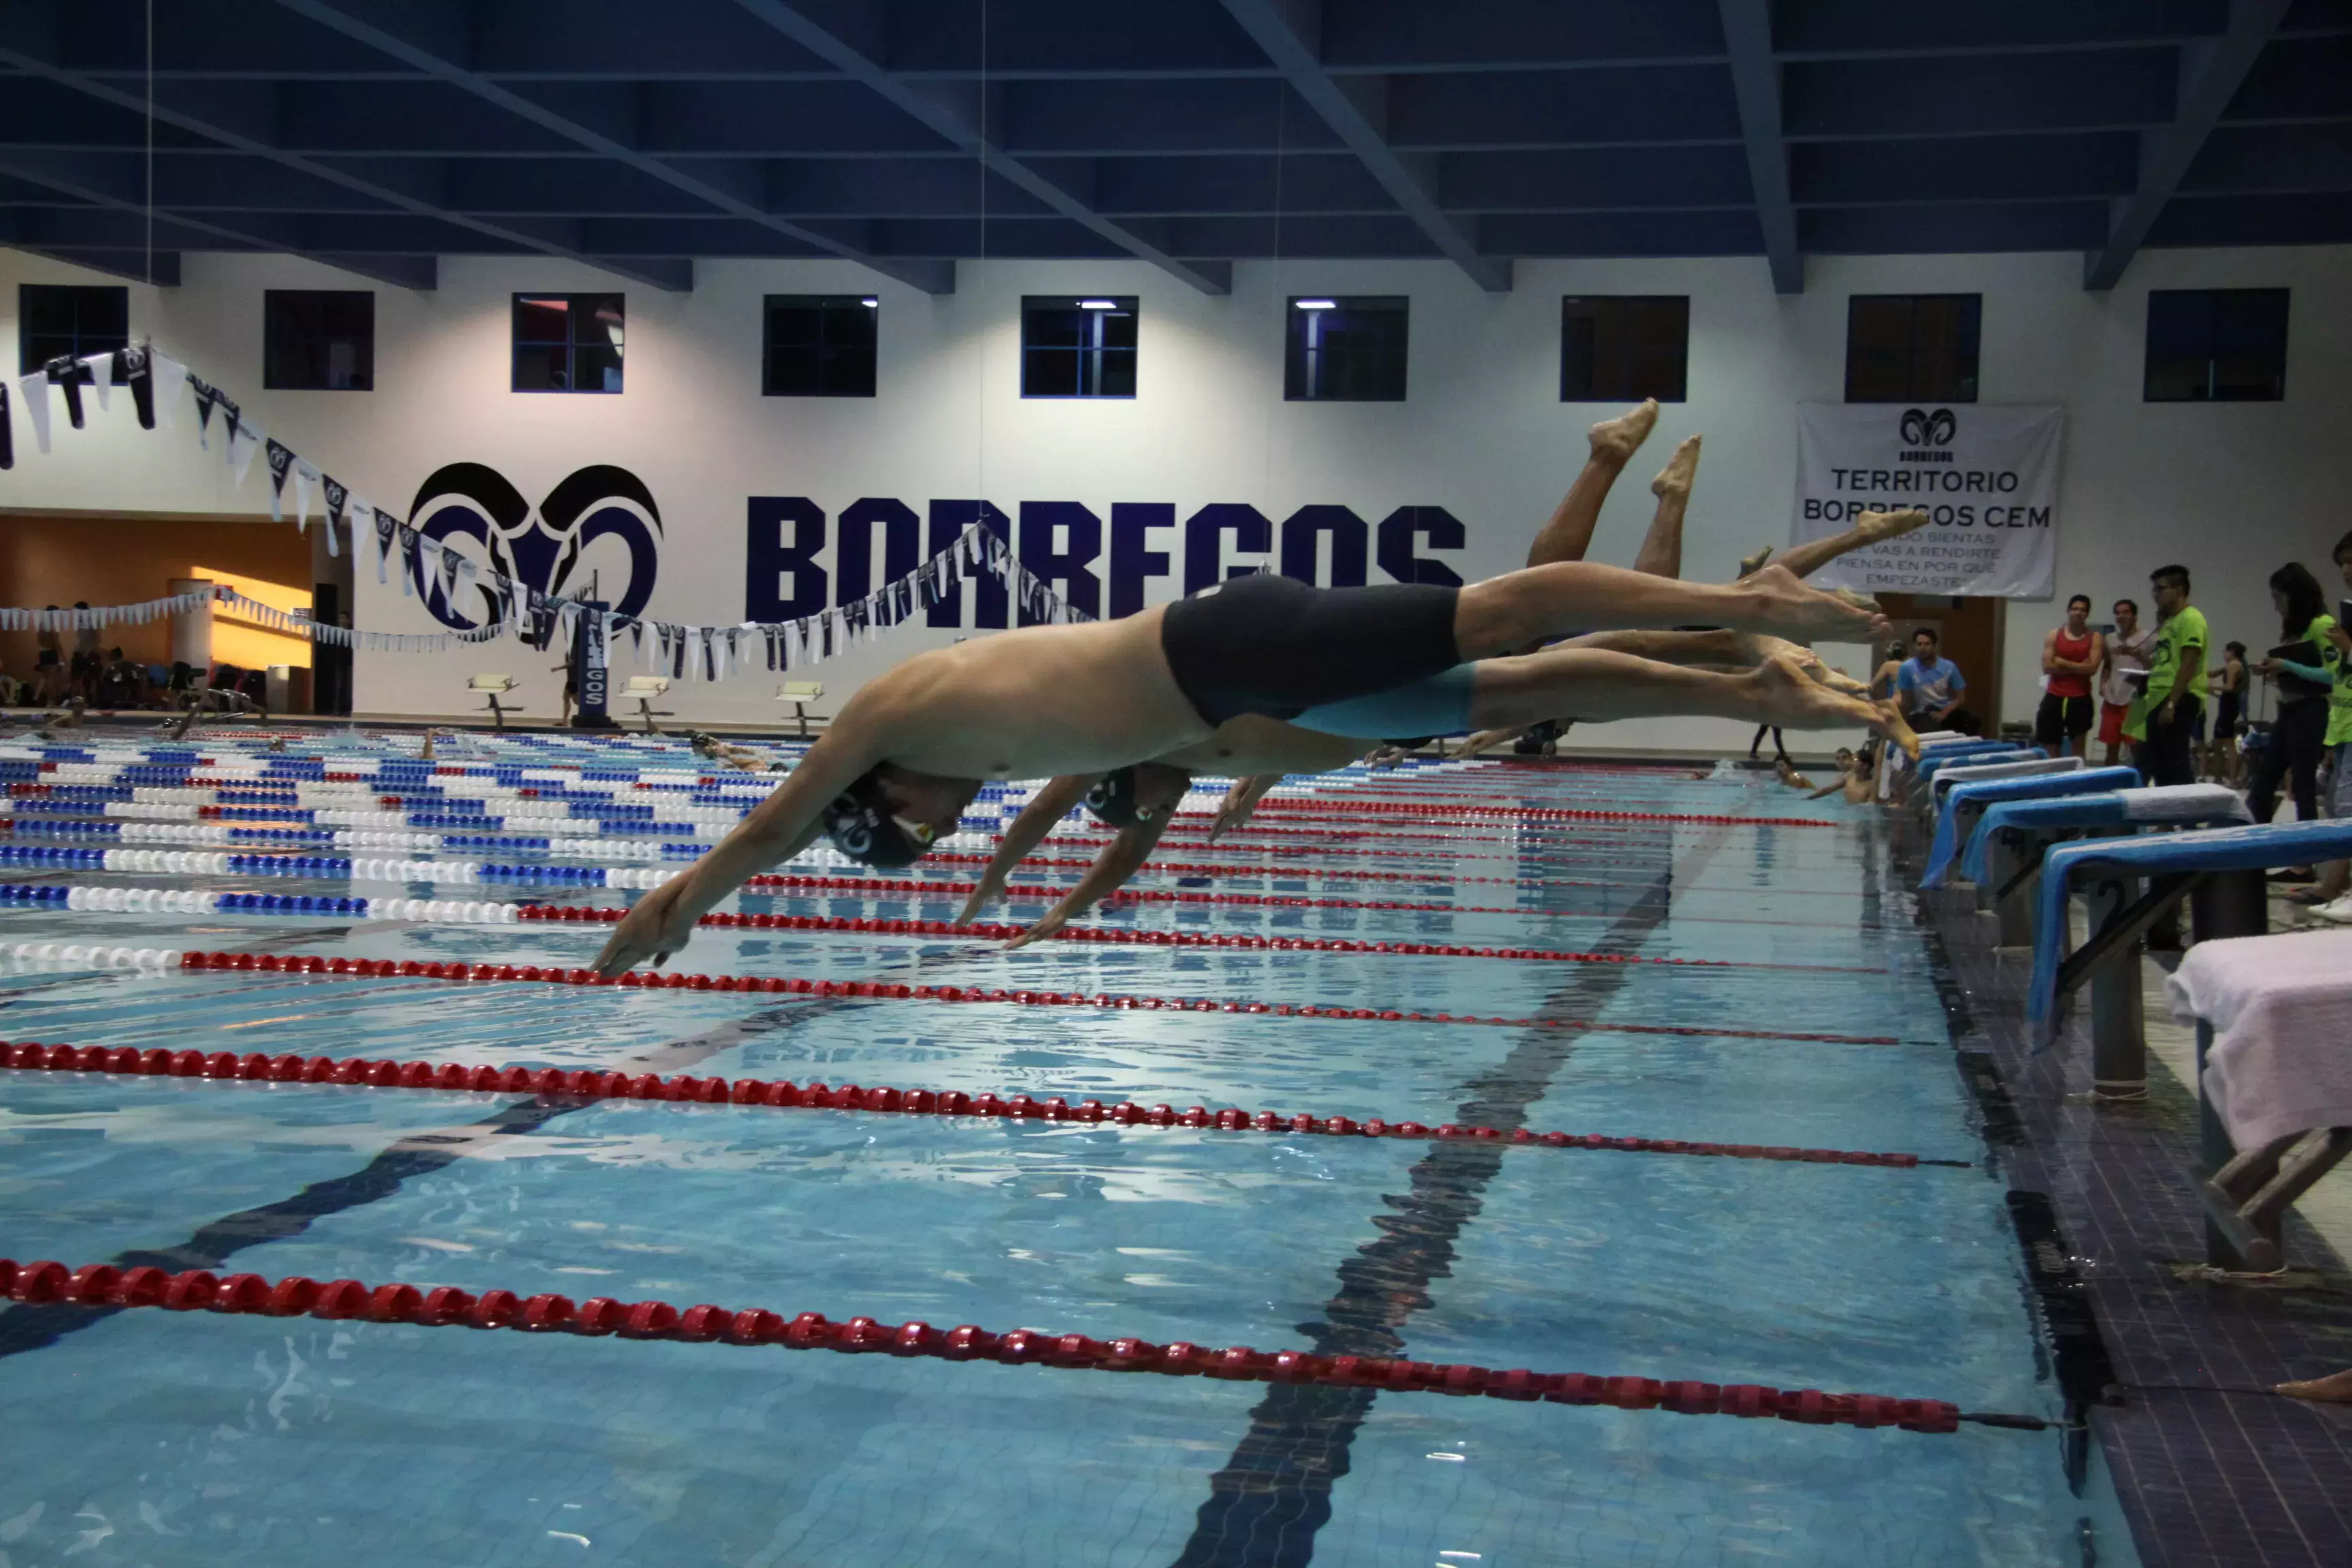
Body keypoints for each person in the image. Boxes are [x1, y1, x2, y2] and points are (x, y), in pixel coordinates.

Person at [587, 559, 1893, 974]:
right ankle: (1747, 684)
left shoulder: (889, 717)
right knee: (1513, 685)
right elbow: (1075, 813)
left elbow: (769, 824)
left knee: (1501, 615)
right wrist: (1015, 899)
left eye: (918, 832)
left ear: (883, 799)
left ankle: (1749, 600)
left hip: (1225, 642)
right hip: (1246, 694)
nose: (941, 825)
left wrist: (674, 910)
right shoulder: (985, 757)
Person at [2249, 561, 2334, 842]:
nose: (2275, 606)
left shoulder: (2322, 625)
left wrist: (2287, 664)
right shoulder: (2298, 629)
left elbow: (2332, 675)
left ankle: (2305, 860)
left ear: (2293, 595)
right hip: (2289, 711)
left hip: (2310, 711)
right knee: (2262, 785)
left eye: (2277, 598)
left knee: (2303, 786)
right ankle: (2255, 848)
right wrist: (2274, 669)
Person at [2127, 565, 2208, 789]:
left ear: (2179, 589)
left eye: (2160, 589)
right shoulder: (2169, 623)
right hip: (2157, 697)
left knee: (2176, 765)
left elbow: (2189, 664)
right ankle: (2166, 823)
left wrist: (2172, 703)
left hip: (2178, 699)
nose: (2155, 595)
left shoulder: (2191, 619)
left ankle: (2191, 818)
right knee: (2155, 764)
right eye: (2154, 589)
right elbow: (2165, 663)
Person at [2036, 595, 2104, 760]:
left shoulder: (2094, 637)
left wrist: (2062, 662)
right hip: (2055, 696)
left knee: (2078, 747)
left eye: (2082, 610)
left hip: (2080, 697)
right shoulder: (2054, 635)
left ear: (2087, 614)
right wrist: (2079, 666)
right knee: (2051, 745)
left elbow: (2092, 669)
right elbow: (2048, 667)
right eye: (2075, 609)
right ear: (2068, 611)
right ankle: (2055, 779)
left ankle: (2077, 781)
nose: (2078, 613)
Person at [2096, 600, 2155, 767]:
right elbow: (2107, 664)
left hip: (2135, 698)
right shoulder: (2109, 639)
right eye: (2117, 613)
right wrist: (2103, 685)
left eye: (2125, 612)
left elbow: (2155, 667)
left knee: (2136, 746)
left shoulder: (2149, 638)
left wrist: (2136, 654)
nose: (2121, 616)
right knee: (2111, 747)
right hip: (2112, 697)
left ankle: (2140, 782)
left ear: (2134, 616)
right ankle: (2110, 784)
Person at [1896, 627, 1976, 735]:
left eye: (1927, 644)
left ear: (1934, 646)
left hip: (1945, 709)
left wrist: (1944, 713)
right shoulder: (1907, 668)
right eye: (1919, 644)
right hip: (1921, 712)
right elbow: (1906, 700)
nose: (1923, 648)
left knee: (1973, 721)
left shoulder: (1949, 667)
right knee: (1932, 728)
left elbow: (1960, 698)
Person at [2208, 641, 2247, 784]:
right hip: (2227, 704)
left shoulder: (2234, 665)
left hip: (2229, 705)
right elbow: (2212, 673)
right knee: (2217, 743)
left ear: (2232, 652)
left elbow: (2229, 687)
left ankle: (2233, 778)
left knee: (2229, 744)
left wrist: (2214, 687)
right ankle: (2219, 777)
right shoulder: (2231, 665)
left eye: (2225, 651)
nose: (2224, 655)